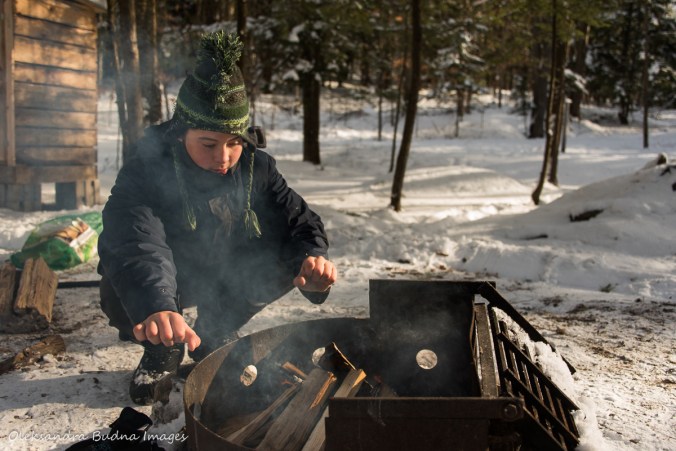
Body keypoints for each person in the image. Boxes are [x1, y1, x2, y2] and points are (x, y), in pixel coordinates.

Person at [97, 31, 337, 405]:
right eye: (208, 144)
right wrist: (156, 305)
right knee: (122, 288)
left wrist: (312, 257)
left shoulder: (258, 167)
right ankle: (165, 347)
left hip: (225, 270)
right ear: (180, 135)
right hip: (171, 276)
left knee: (286, 255)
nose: (224, 158)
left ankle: (215, 328)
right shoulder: (146, 170)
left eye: (234, 142)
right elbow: (134, 240)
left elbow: (297, 219)